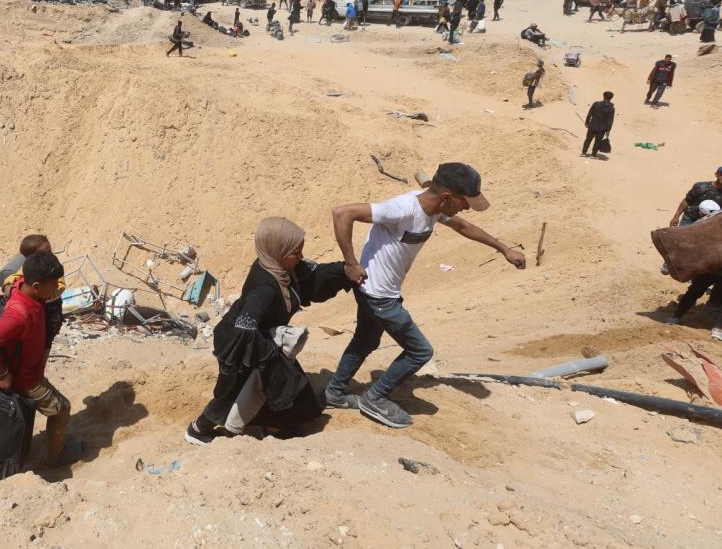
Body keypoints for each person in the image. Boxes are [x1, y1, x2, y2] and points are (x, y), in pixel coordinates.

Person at [322, 164, 525, 427]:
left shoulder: (435, 210)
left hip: (378, 290)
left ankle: (333, 393)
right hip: (378, 295)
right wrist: (350, 263)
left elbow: (462, 226)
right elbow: (342, 213)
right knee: (420, 351)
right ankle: (375, 397)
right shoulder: (403, 208)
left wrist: (503, 249)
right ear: (446, 197)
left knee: (365, 341)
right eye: (465, 202)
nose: (466, 208)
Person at [185, 218, 333, 444]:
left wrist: (344, 271)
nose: (301, 257)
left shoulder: (277, 265)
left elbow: (311, 275)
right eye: (295, 252)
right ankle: (198, 430)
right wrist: (269, 355)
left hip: (259, 339)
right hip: (239, 346)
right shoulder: (265, 287)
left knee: (283, 384)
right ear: (277, 250)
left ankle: (274, 425)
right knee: (233, 392)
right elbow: (245, 325)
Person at [0, 251, 77, 465]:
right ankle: (57, 456)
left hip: (26, 370)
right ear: (37, 285)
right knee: (61, 410)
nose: (57, 288)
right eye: (53, 284)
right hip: (25, 379)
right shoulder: (18, 314)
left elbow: (11, 279)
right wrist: (2, 375)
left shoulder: (24, 287)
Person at [664, 200, 722, 339]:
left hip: (712, 268)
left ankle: (719, 328)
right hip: (709, 267)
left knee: (695, 292)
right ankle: (676, 316)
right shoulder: (709, 221)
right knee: (694, 292)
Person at [582, 91, 615, 158]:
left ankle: (583, 153)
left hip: (592, 125)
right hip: (602, 128)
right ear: (611, 98)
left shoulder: (596, 104)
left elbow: (589, 114)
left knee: (588, 139)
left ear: (603, 96)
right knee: (597, 141)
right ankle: (593, 154)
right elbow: (610, 121)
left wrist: (587, 122)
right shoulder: (611, 109)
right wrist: (608, 130)